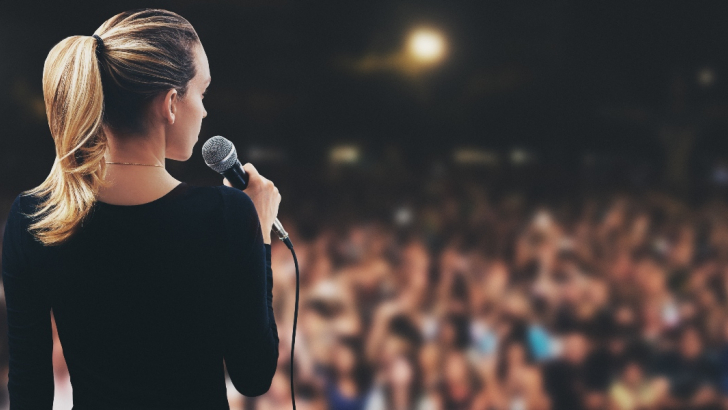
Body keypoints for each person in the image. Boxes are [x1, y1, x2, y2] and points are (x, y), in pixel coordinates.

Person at [1, 8, 281, 409]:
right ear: (170, 103)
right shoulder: (227, 213)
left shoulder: (34, 217)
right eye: (201, 94)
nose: (204, 111)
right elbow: (254, 377)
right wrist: (259, 231)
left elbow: (29, 391)